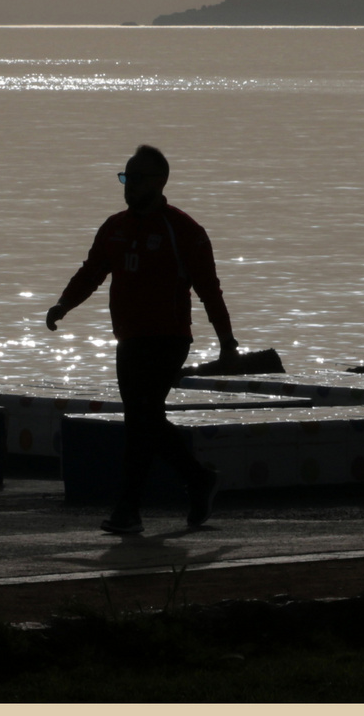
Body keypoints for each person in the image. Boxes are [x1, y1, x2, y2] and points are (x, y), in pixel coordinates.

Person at [46, 145, 237, 535]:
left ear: (160, 181)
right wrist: (63, 305)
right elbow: (92, 272)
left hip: (168, 339)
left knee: (141, 417)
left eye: (137, 178)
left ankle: (128, 510)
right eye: (125, 177)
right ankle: (197, 479)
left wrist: (227, 343)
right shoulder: (115, 227)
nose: (129, 186)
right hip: (128, 339)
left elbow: (210, 290)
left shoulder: (184, 230)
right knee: (144, 418)